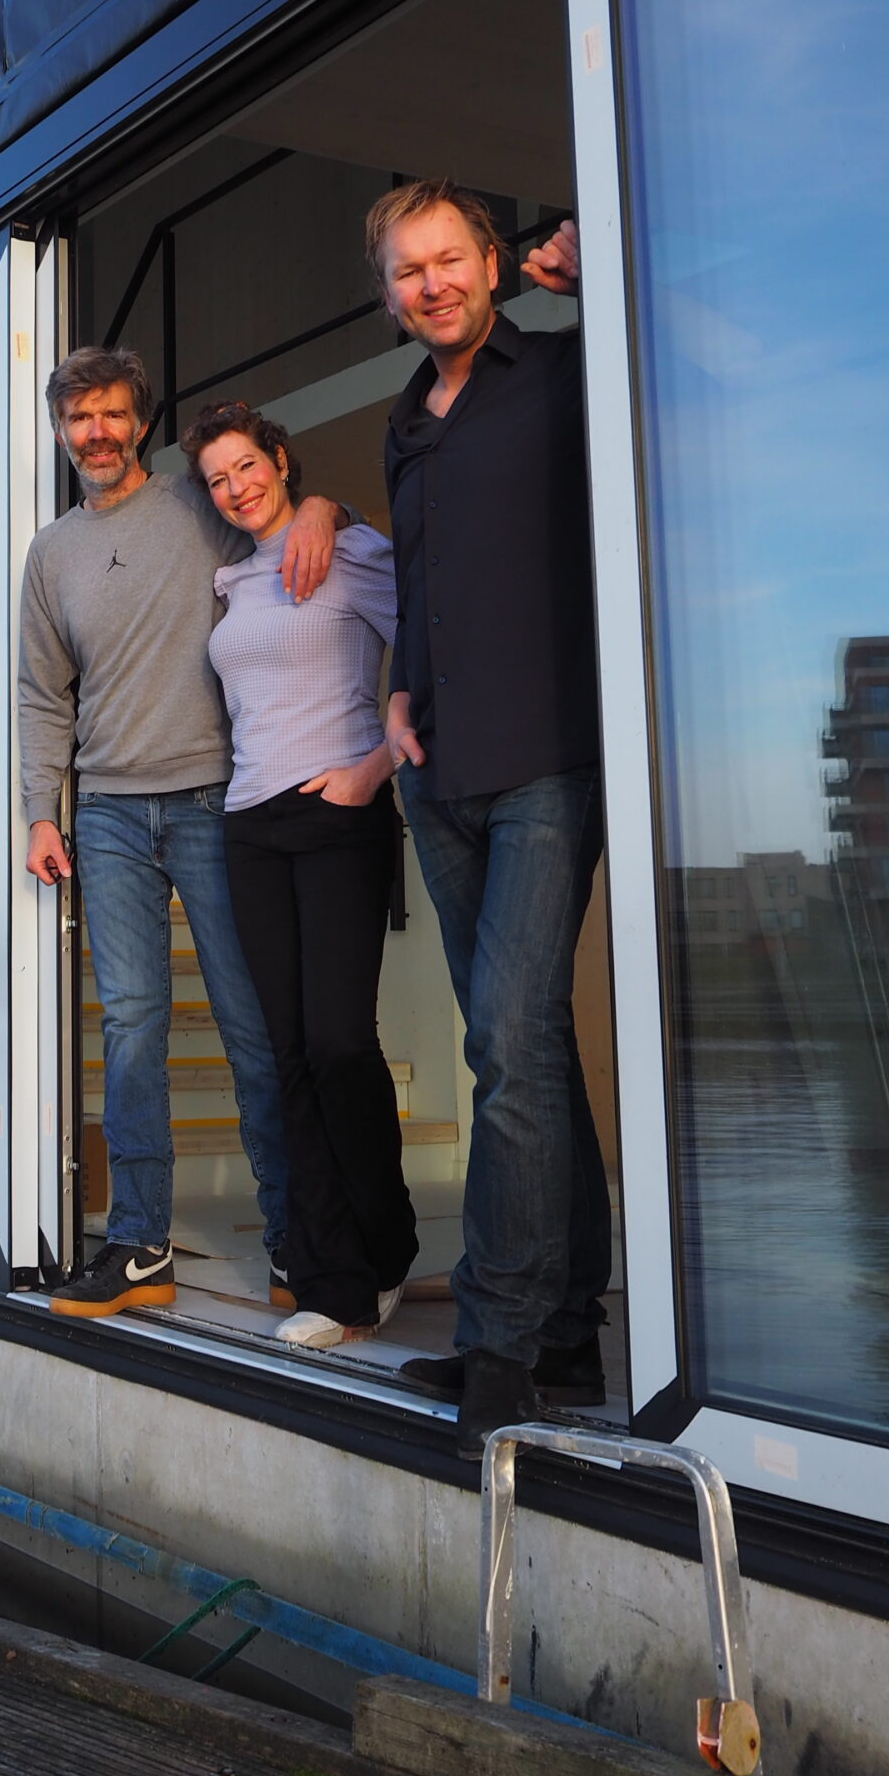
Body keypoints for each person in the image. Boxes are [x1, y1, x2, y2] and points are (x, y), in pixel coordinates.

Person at [18, 346, 346, 1319]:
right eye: (80, 418)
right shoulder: (51, 554)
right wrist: (42, 807)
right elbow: (44, 693)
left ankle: (295, 1240)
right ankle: (138, 1245)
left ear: (139, 421)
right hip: (109, 814)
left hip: (216, 800)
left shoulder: (200, 509)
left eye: (114, 414)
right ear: (61, 431)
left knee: (252, 1031)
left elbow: (294, 526)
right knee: (131, 1030)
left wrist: (324, 506)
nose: (98, 433)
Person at [370, 178, 610, 1458]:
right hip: (442, 769)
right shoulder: (409, 420)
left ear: (493, 262)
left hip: (549, 758)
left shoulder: (569, 369)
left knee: (507, 1049)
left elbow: (689, 354)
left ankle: (502, 1344)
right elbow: (422, 582)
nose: (431, 285)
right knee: (528, 1048)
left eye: (447, 258)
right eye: (407, 272)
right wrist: (399, 692)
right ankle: (565, 1323)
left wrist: (606, 269)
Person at [183, 398, 418, 1350]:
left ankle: (387, 1250)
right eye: (217, 480)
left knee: (338, 1045)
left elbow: (435, 646)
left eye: (247, 466)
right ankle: (339, 1284)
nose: (235, 489)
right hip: (249, 825)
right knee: (285, 1057)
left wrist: (374, 769)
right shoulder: (230, 582)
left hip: (337, 815)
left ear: (281, 460)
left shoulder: (352, 552)